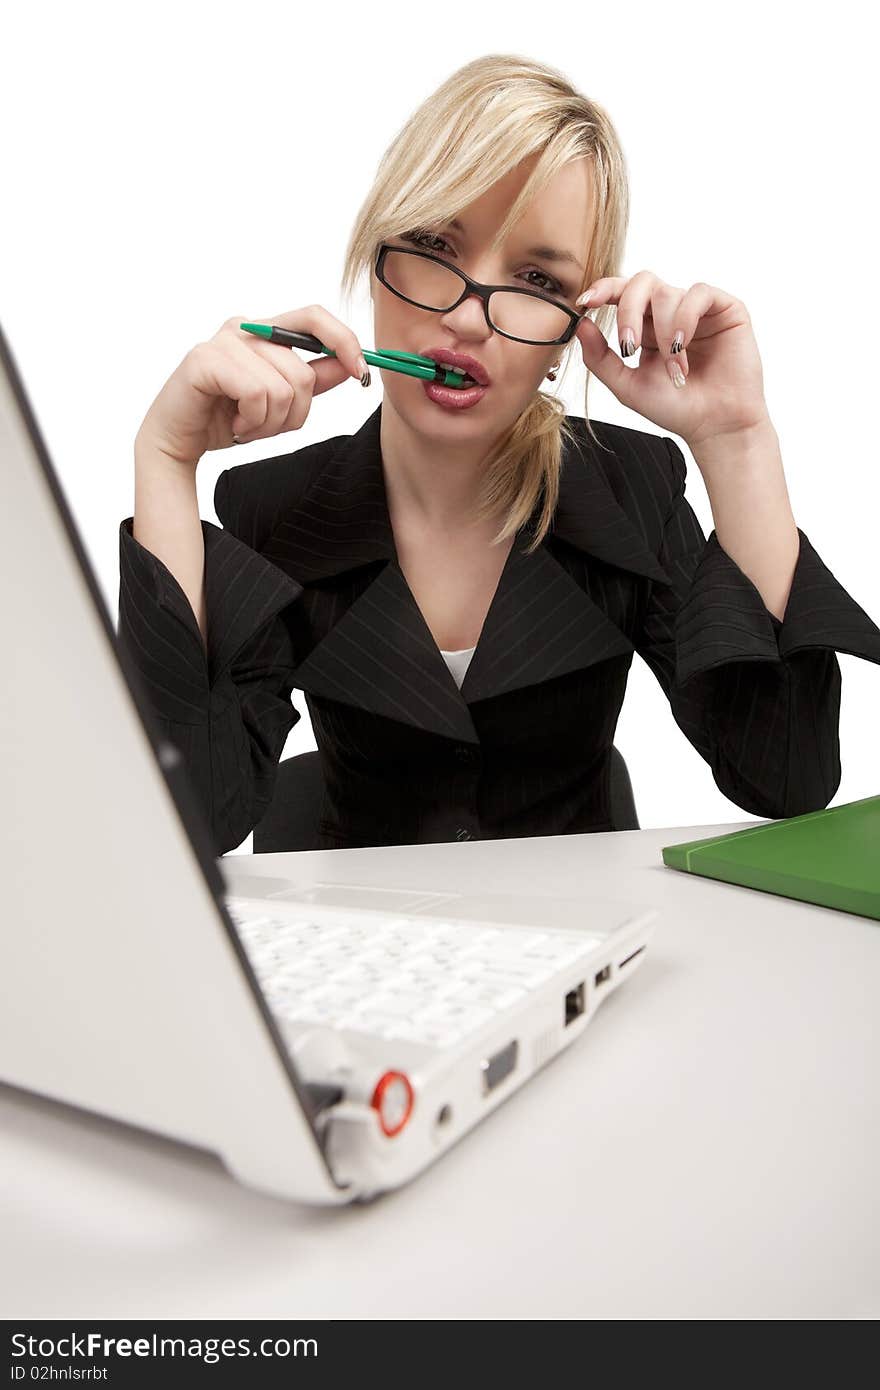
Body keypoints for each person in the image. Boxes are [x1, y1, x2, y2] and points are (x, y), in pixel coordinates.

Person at [117, 53, 880, 856]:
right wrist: (166, 459)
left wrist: (737, 441)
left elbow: (787, 775)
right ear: (373, 267)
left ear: (569, 334)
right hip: (360, 939)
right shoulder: (280, 509)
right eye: (431, 243)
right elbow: (188, 816)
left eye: (537, 280)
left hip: (583, 938)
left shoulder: (628, 492)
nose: (469, 319)